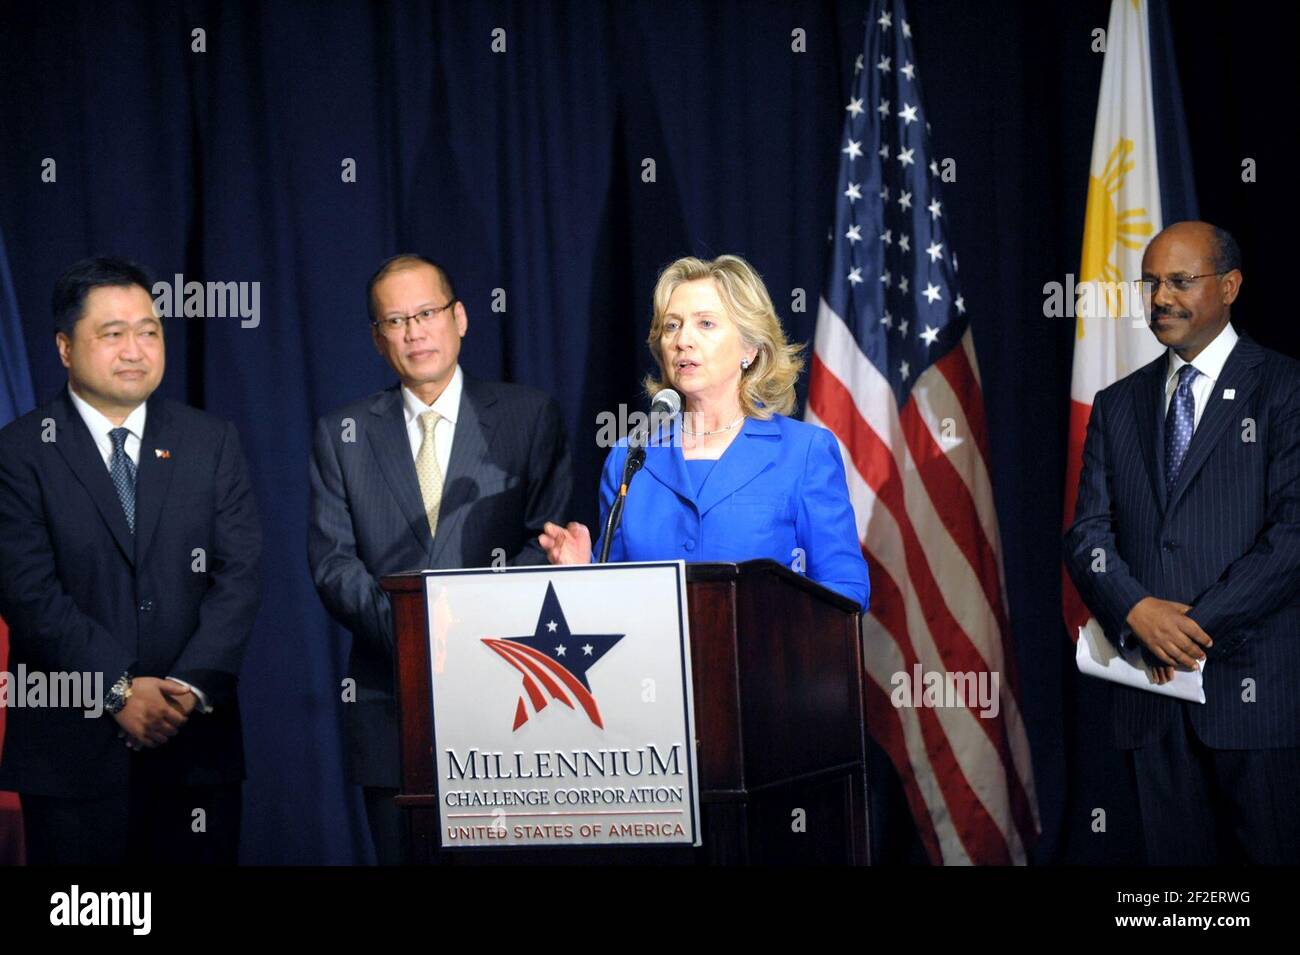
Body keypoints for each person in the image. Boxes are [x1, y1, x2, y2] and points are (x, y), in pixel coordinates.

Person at [308, 253, 572, 864]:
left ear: (460, 318)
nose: (414, 331)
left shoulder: (529, 416)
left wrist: (475, 634)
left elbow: (547, 538)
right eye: (395, 321)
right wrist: (415, 636)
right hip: (391, 706)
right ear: (378, 339)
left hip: (511, 698)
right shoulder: (342, 434)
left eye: (426, 313)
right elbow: (333, 565)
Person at [0, 257, 262, 864]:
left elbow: (240, 575)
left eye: (149, 331)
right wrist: (117, 689)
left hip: (195, 744)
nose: (136, 350)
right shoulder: (18, 452)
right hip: (72, 756)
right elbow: (27, 593)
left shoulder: (210, 440)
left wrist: (186, 688)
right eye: (112, 334)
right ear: (66, 347)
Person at [1064, 221, 1300, 864]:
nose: (1159, 297)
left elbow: (1291, 538)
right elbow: (1087, 534)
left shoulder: (1284, 388)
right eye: (1150, 283)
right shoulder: (1118, 405)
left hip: (1256, 692)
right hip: (1151, 699)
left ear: (1229, 286)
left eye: (1178, 281)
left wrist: (1192, 627)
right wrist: (1136, 611)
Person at [539, 254, 869, 610]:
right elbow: (614, 603)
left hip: (765, 661)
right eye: (672, 326)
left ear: (750, 348)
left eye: (706, 324)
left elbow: (846, 592)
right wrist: (581, 573)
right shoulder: (631, 456)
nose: (683, 340)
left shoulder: (803, 453)